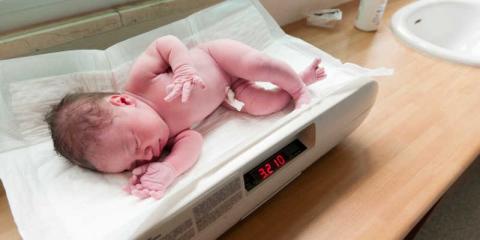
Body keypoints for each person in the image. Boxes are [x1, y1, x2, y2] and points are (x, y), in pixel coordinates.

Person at [45, 36, 326, 199]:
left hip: (218, 57)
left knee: (256, 64)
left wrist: (182, 68)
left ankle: (298, 87)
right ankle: (299, 82)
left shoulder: (140, 83)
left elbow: (165, 43)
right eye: (133, 163)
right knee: (264, 106)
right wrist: (169, 168)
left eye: (134, 144)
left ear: (122, 102)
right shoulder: (166, 137)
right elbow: (192, 141)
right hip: (229, 94)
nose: (145, 155)